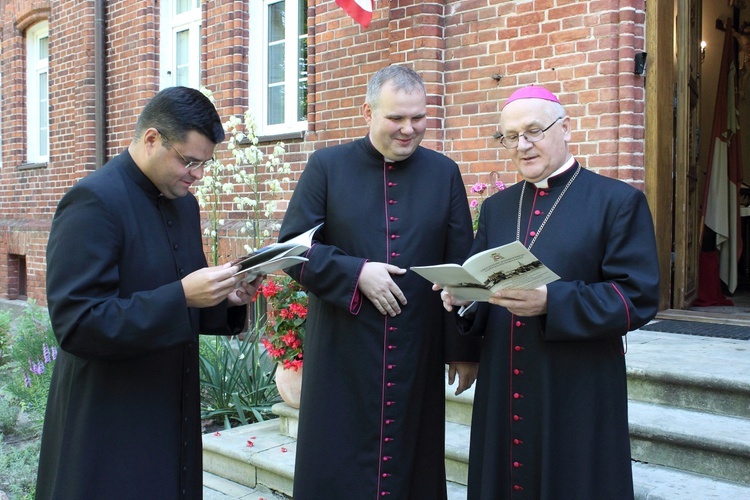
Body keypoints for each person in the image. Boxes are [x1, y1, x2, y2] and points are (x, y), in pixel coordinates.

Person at [36, 86, 260, 499]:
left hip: (171, 407)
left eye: (204, 165)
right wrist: (182, 295)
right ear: (152, 138)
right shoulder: (93, 201)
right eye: (189, 161)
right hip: (109, 417)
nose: (197, 175)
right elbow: (77, 324)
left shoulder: (183, 204)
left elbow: (183, 292)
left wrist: (224, 298)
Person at [439, 85, 660, 499]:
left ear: (566, 128)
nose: (521, 146)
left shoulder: (617, 202)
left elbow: (637, 297)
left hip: (577, 386)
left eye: (534, 131)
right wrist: (465, 298)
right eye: (510, 136)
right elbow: (482, 284)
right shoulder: (497, 208)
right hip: (504, 384)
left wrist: (552, 301)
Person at [278, 65, 481, 499]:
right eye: (396, 118)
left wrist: (464, 350)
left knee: (412, 463)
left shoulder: (444, 173)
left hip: (416, 350)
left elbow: (460, 265)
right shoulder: (326, 167)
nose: (409, 129)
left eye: (418, 118)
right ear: (367, 111)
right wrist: (356, 272)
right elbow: (293, 252)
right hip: (342, 353)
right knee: (338, 465)